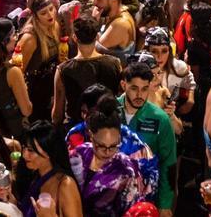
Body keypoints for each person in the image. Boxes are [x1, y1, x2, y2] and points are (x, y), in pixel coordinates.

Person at [119, 62, 177, 215]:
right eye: (134, 88)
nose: (140, 95)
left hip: (145, 198)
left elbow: (169, 163)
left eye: (144, 89)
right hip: (113, 195)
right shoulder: (109, 110)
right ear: (123, 85)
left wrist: (165, 204)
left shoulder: (160, 119)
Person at [69, 107, 149, 216]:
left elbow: (132, 211)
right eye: (101, 146)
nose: (107, 152)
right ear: (91, 135)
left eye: (113, 146)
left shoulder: (126, 169)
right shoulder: (78, 155)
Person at [53, 17, 123, 127]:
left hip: (77, 129)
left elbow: (57, 114)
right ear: (96, 36)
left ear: (75, 37)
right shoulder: (115, 63)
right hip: (108, 126)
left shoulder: (63, 69)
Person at [20, 121, 83, 217]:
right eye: (24, 147)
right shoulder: (34, 175)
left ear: (48, 152)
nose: (24, 155)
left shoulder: (65, 185)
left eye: (31, 150)